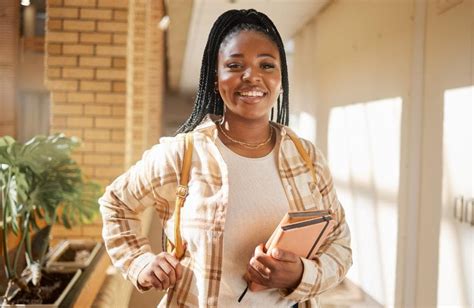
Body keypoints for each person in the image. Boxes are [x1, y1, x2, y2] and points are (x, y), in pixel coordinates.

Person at [99, 9, 352, 308]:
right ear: (216, 79)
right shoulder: (182, 154)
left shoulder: (306, 157)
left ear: (280, 80)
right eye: (234, 65)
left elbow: (340, 245)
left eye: (266, 65)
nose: (251, 76)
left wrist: (300, 275)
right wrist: (140, 262)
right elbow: (116, 203)